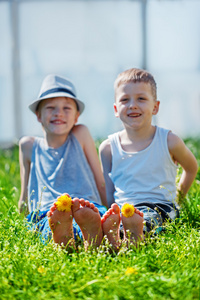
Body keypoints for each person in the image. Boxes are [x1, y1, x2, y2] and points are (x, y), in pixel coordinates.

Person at [99, 68, 198, 251]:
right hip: (123, 209)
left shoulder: (169, 141)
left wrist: (178, 199)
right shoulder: (108, 147)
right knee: (105, 218)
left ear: (155, 107)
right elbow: (109, 189)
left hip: (159, 206)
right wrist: (110, 211)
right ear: (115, 109)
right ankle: (107, 234)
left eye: (141, 99)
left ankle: (125, 239)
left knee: (148, 221)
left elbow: (191, 167)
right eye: (124, 100)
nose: (132, 105)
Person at [18, 74, 108, 250]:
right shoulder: (28, 145)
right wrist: (23, 221)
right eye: (51, 107)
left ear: (76, 117)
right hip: (48, 211)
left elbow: (100, 180)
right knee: (49, 224)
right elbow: (25, 193)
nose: (58, 113)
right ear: (38, 115)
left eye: (66, 108)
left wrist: (111, 206)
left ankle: (85, 234)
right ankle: (68, 236)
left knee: (92, 217)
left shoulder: (80, 134)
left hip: (87, 206)